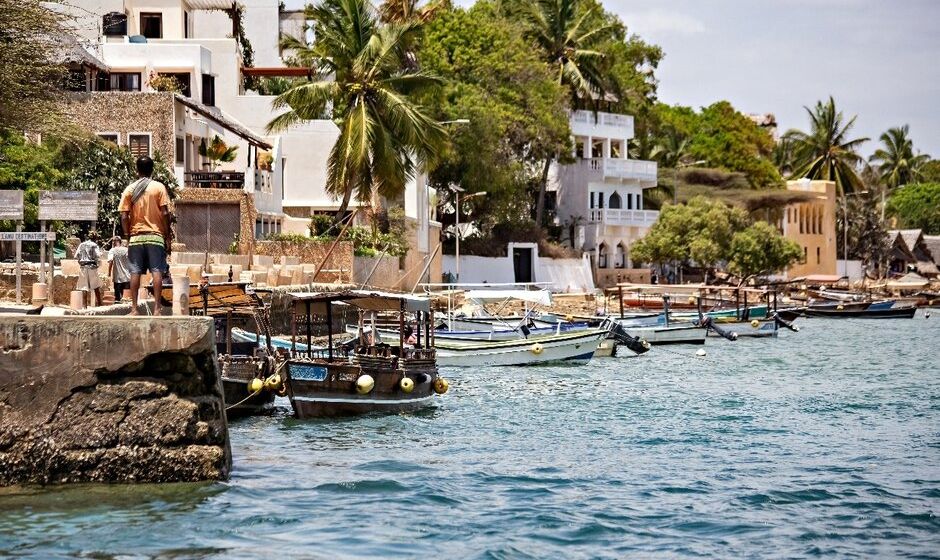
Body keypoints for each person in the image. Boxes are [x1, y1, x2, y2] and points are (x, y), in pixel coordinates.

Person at [119, 156, 172, 315]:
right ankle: (157, 309)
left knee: (135, 272)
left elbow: (123, 216)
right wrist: (167, 235)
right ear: (152, 169)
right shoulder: (159, 187)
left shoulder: (129, 189)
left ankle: (134, 309)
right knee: (157, 271)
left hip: (135, 236)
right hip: (155, 236)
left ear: (137, 170)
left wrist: (128, 236)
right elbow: (165, 213)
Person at [75, 231, 104, 307]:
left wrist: (81, 262)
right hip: (92, 267)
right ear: (95, 238)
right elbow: (98, 255)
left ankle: (84, 306)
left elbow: (77, 256)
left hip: (83, 268)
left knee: (84, 286)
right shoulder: (94, 245)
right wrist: (101, 253)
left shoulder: (81, 245)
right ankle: (100, 304)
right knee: (96, 286)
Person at [107, 236, 131, 301]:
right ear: (120, 242)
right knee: (127, 298)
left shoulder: (112, 250)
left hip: (117, 277)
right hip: (127, 276)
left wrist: (109, 272)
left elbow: (111, 261)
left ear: (114, 242)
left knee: (118, 298)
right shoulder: (126, 250)